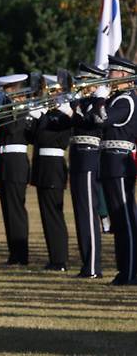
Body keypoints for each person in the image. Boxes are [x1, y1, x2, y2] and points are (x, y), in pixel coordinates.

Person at [89, 55, 137, 285]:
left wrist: (99, 101)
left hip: (120, 163)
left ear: (125, 76)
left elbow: (103, 120)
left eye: (113, 73)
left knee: (125, 220)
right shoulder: (116, 98)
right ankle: (124, 270)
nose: (109, 76)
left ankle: (130, 272)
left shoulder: (126, 99)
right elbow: (92, 119)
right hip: (110, 163)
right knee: (119, 221)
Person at [59, 63, 105, 279]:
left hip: (89, 158)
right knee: (79, 213)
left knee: (88, 213)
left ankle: (94, 266)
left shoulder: (98, 102)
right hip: (77, 157)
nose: (80, 84)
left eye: (84, 79)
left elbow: (92, 122)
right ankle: (87, 262)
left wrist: (72, 110)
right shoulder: (82, 101)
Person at [26, 75, 71, 272]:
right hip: (43, 167)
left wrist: (42, 116)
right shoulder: (49, 113)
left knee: (54, 215)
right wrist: (33, 117)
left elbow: (49, 137)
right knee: (46, 215)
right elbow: (32, 137)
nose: (50, 95)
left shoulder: (63, 115)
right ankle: (54, 257)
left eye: (53, 91)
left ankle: (59, 260)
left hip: (53, 167)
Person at [0, 74, 31, 265]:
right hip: (5, 162)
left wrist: (7, 107)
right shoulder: (8, 109)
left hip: (16, 163)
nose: (5, 93)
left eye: (7, 90)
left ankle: (21, 254)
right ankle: (14, 253)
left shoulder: (21, 110)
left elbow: (12, 129)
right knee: (8, 210)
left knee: (16, 209)